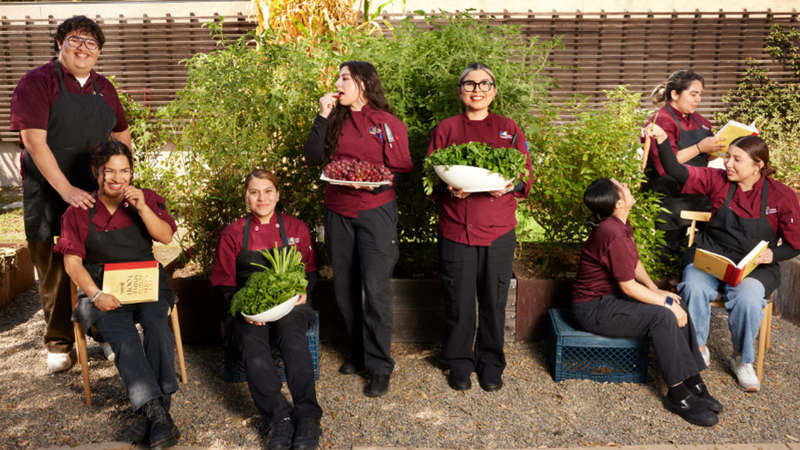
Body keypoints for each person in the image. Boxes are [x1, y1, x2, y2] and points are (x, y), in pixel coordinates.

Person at [9, 16, 130, 373]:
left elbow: (121, 133)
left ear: (98, 53)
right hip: (48, 192)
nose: (83, 48)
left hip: (96, 194)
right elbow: (34, 140)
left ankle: (104, 331)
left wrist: (121, 178)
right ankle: (59, 341)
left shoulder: (103, 87)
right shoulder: (36, 82)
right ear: (59, 44)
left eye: (92, 44)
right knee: (55, 269)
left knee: (102, 261)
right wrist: (66, 189)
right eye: (76, 40)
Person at [652, 128, 800, 392]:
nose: (727, 164)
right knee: (694, 288)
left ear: (758, 165)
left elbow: (795, 244)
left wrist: (773, 255)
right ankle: (697, 348)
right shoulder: (717, 179)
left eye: (736, 159)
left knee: (748, 298)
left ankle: (742, 360)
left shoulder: (781, 195)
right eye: (728, 157)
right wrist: (663, 141)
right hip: (711, 256)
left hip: (754, 267)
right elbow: (676, 170)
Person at [54, 140, 180, 447]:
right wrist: (96, 295)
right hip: (102, 287)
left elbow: (165, 237)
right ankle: (158, 413)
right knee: (120, 334)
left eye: (124, 171)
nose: (117, 178)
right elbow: (72, 264)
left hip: (146, 282)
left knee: (156, 326)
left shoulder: (145, 198)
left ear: (132, 172)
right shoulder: (79, 210)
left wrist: (142, 207)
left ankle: (151, 411)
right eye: (108, 171)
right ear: (96, 173)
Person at [572, 177, 721, 427]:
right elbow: (628, 286)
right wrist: (663, 304)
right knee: (663, 315)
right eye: (622, 186)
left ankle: (692, 380)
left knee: (678, 304)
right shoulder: (611, 231)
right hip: (594, 308)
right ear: (619, 202)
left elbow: (634, 262)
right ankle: (677, 395)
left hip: (611, 301)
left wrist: (658, 291)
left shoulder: (619, 223)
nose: (628, 187)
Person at [304, 61, 413, 398]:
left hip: (375, 214)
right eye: (338, 77)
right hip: (337, 212)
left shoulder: (387, 123)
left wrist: (376, 184)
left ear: (364, 83)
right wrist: (321, 115)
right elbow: (312, 157)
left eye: (345, 78)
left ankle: (380, 365)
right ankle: (358, 352)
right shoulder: (334, 119)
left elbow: (403, 167)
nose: (338, 83)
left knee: (376, 291)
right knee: (344, 288)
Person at [427, 63, 532, 392]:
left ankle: (491, 363)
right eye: (470, 84)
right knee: (457, 300)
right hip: (456, 228)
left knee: (494, 300)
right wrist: (448, 188)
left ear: (494, 92)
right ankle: (458, 361)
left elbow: (525, 175)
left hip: (498, 228)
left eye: (484, 84)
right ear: (460, 91)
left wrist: (510, 186)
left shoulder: (508, 128)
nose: (477, 90)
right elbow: (432, 173)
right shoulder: (446, 128)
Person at [210, 169, 322, 450]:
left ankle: (308, 416)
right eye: (254, 192)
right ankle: (278, 418)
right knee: (251, 342)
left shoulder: (296, 228)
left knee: (293, 338)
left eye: (268, 191)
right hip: (249, 307)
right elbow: (223, 282)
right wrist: (247, 309)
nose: (262, 198)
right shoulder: (233, 233)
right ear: (246, 197)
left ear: (277, 195)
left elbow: (310, 271)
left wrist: (303, 292)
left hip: (292, 305)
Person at [642, 70, 724, 264]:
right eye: (693, 94)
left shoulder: (702, 122)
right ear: (674, 94)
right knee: (667, 254)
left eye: (701, 94)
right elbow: (666, 162)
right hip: (669, 196)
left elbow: (708, 156)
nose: (698, 99)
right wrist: (700, 147)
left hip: (698, 191)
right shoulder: (661, 121)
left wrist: (726, 148)